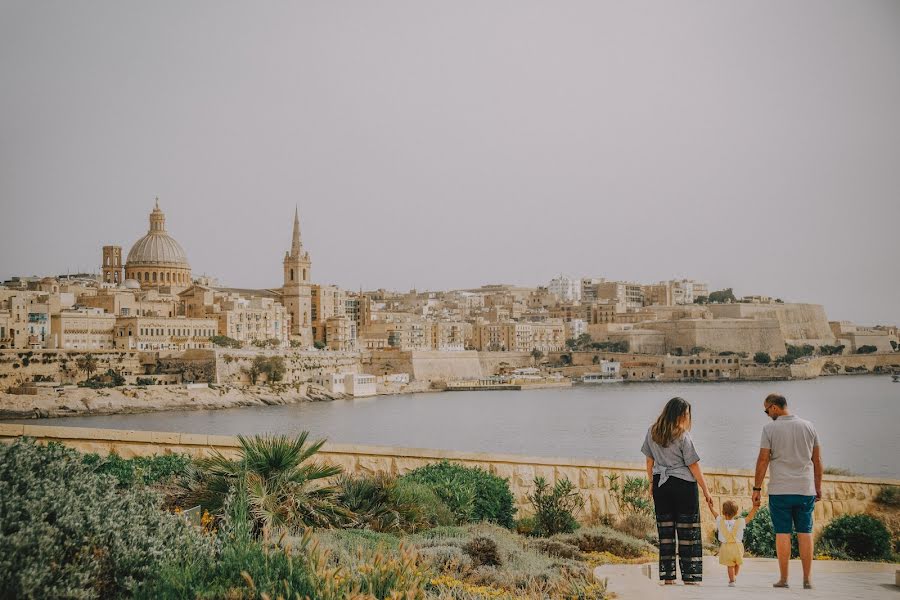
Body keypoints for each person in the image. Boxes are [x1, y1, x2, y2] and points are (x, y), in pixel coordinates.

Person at [753, 393, 822, 590]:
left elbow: (763, 460)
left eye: (767, 410)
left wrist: (756, 488)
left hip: (780, 490)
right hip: (805, 489)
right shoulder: (809, 426)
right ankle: (807, 579)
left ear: (775, 407)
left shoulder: (770, 429)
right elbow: (816, 461)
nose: (767, 414)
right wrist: (818, 487)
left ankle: (784, 579)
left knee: (782, 533)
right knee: (805, 532)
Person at [641, 397, 713, 585]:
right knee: (687, 531)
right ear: (680, 414)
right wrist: (706, 490)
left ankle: (668, 577)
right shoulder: (682, 435)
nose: (688, 418)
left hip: (661, 485)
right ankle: (689, 577)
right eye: (687, 414)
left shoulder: (652, 431)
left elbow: (649, 461)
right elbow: (693, 465)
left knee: (665, 531)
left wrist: (651, 483)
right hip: (683, 485)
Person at [707, 498, 761, 587]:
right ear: (736, 513)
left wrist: (710, 507)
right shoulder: (740, 522)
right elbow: (749, 517)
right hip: (738, 547)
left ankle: (732, 580)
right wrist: (755, 507)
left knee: (730, 565)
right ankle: (734, 576)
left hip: (726, 547)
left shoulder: (720, 521)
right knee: (737, 562)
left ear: (723, 512)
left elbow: (715, 514)